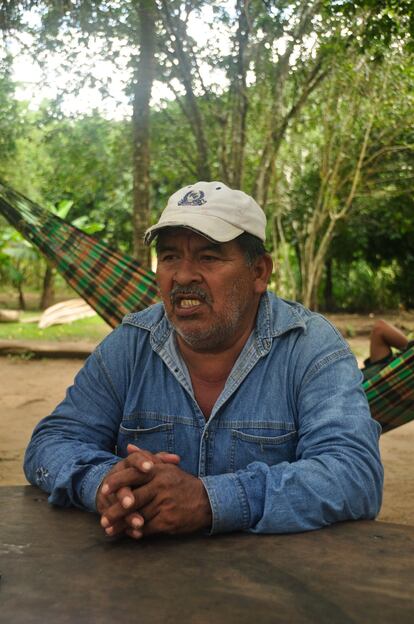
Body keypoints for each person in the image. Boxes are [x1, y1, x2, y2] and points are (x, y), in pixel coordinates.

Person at [24, 181, 383, 539]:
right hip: (141, 583)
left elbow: (354, 474)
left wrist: (210, 501)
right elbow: (51, 443)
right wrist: (108, 483)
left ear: (259, 272)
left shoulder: (310, 348)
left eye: (208, 257)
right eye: (169, 257)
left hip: (274, 586)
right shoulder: (131, 345)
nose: (182, 276)